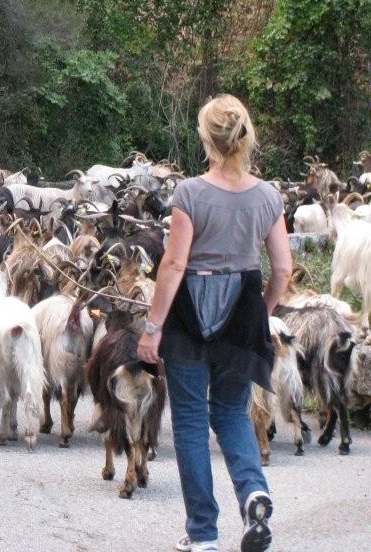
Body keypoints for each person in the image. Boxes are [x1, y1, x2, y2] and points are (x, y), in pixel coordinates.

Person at [137, 95, 291, 552]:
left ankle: (203, 534)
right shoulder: (269, 196)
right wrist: (258, 316)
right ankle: (253, 493)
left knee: (189, 421)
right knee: (230, 411)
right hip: (242, 306)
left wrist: (151, 328)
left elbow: (173, 264)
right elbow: (282, 268)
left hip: (188, 312)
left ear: (207, 138)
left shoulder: (190, 193)